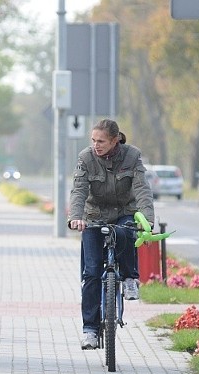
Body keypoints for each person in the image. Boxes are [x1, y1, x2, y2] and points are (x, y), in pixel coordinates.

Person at [67, 119, 155, 350]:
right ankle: (90, 331)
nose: (96, 145)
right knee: (92, 273)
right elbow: (78, 190)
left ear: (115, 140)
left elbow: (142, 189)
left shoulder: (131, 156)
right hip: (93, 216)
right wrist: (75, 217)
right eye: (93, 140)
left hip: (124, 212)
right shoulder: (86, 158)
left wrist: (148, 219)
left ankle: (129, 278)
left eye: (101, 141)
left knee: (127, 232)